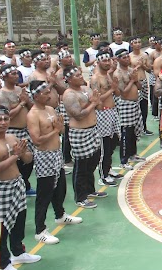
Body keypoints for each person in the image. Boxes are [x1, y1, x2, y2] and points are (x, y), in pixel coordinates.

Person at [0, 105, 40, 270]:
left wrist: (23, 153)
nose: (3, 122)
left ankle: (18, 252)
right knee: (1, 228)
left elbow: (28, 159)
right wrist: (15, 156)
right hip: (0, 188)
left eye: (5, 119)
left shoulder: (12, 137)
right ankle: (3, 265)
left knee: (19, 220)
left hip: (17, 184)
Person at [27, 81, 82, 245]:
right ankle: (40, 230)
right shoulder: (33, 115)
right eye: (45, 93)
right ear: (36, 95)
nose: (49, 95)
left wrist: (59, 128)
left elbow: (61, 130)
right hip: (44, 156)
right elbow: (36, 140)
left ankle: (60, 215)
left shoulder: (50, 109)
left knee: (60, 188)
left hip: (56, 154)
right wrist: (56, 131)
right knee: (44, 193)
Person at [62, 67, 106, 208]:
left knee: (93, 160)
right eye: (77, 75)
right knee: (81, 165)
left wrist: (96, 102)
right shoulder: (69, 95)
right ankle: (80, 197)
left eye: (80, 74)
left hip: (93, 130)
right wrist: (93, 103)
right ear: (69, 79)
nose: (81, 76)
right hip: (80, 133)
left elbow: (98, 106)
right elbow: (78, 115)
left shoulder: (86, 89)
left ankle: (90, 190)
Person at [0, 64, 34, 196]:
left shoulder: (20, 90)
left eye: (17, 73)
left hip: (26, 130)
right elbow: (7, 115)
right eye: (13, 74)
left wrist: (26, 101)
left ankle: (25, 184)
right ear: (5, 77)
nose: (17, 76)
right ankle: (18, 187)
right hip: (12, 131)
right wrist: (22, 103)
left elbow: (31, 106)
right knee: (17, 160)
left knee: (29, 159)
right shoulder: (1, 94)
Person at [90, 50, 123, 182]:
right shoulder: (95, 78)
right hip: (102, 113)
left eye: (108, 60)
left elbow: (118, 94)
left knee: (113, 142)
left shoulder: (109, 75)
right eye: (104, 60)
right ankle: (103, 175)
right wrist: (112, 89)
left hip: (112, 112)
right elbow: (97, 100)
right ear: (98, 62)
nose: (107, 62)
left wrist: (115, 88)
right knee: (104, 145)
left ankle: (108, 169)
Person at [114, 49, 144, 168]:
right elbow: (124, 93)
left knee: (133, 132)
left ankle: (133, 154)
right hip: (125, 104)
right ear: (118, 59)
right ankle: (124, 160)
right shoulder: (118, 74)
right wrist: (132, 81)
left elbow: (140, 87)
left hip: (135, 103)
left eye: (128, 56)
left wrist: (135, 81)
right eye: (124, 57)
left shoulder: (132, 70)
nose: (127, 59)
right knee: (126, 132)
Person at [129, 37, 153, 135]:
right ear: (131, 45)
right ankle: (135, 128)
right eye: (135, 42)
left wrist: (142, 65)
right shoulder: (129, 56)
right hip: (134, 82)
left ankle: (144, 126)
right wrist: (136, 67)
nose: (138, 44)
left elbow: (149, 70)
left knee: (144, 104)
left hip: (143, 81)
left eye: (139, 42)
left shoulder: (144, 55)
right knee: (135, 105)